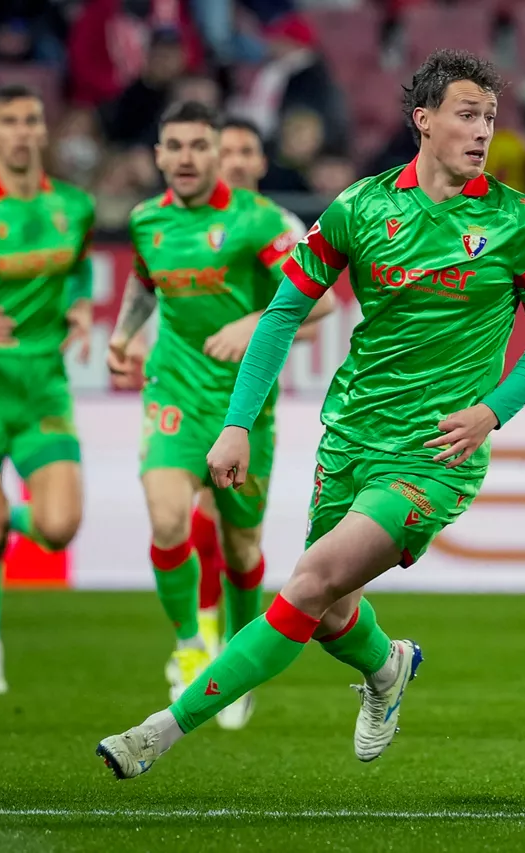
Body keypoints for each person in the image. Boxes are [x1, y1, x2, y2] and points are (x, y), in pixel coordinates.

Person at [95, 49, 525, 778]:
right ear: (424, 121)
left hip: (433, 455)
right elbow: (284, 313)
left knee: (309, 580)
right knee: (326, 611)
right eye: (468, 115)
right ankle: (389, 666)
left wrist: (490, 411)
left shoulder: (519, 222)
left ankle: (162, 729)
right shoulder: (360, 208)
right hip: (351, 434)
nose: (483, 131)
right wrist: (235, 422)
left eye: (490, 118)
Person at [103, 101, 334, 730]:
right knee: (167, 514)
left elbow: (322, 301)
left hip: (242, 409)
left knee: (241, 549)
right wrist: (124, 336)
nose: (184, 157)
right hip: (172, 393)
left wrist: (250, 322)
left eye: (197, 146)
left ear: (215, 153)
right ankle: (188, 647)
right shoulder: (146, 220)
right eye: (172, 146)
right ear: (157, 155)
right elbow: (146, 283)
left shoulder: (259, 222)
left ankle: (235, 657)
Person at [0, 84, 96, 695]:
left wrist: (78, 306)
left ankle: (1, 525)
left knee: (58, 526)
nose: (23, 131)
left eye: (32, 120)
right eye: (10, 121)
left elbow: (77, 264)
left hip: (43, 390)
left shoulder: (73, 207)